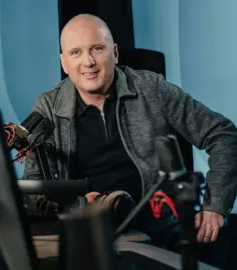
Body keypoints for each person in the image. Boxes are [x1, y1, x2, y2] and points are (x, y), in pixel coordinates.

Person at [22, 14, 237, 268]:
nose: (88, 62)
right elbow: (33, 188)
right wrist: (75, 206)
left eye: (97, 49)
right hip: (95, 237)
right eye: (76, 52)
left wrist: (215, 207)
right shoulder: (48, 107)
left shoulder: (152, 89)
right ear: (64, 63)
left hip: (164, 230)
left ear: (114, 53)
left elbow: (223, 135)